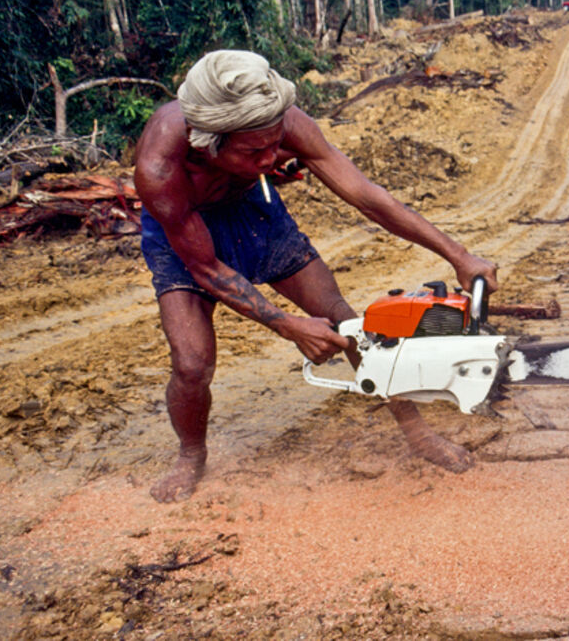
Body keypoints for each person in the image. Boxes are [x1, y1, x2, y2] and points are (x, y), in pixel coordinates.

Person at [133, 50, 498, 502]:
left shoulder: (281, 120)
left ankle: (417, 433)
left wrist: (458, 255)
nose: (272, 158)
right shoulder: (160, 169)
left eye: (276, 144)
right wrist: (286, 324)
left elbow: (367, 197)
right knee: (192, 363)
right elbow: (206, 267)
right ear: (208, 143)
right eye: (255, 151)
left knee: (348, 325)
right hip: (183, 228)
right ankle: (191, 454)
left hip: (253, 210)